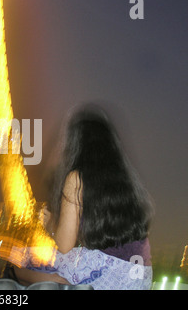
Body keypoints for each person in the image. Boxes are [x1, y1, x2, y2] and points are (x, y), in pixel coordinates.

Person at [15, 104, 154, 290]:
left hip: (108, 276)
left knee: (21, 262)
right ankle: (59, 281)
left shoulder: (77, 178)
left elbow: (64, 245)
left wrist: (50, 224)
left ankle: (58, 282)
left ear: (74, 143)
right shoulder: (127, 180)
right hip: (140, 276)